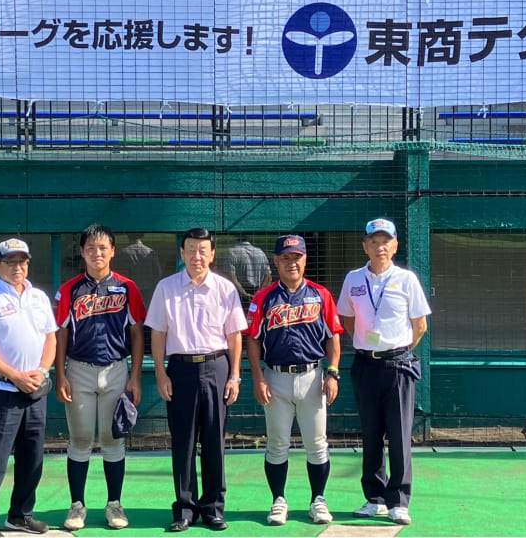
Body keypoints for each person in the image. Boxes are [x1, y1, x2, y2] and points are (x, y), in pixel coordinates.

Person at [145, 227, 247, 533]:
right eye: (190, 250)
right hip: (180, 370)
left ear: (212, 254)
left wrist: (236, 375)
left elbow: (235, 335)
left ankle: (213, 508)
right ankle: (185, 509)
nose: (196, 256)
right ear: (182, 253)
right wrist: (161, 372)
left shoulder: (225, 289)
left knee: (215, 441)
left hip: (217, 367)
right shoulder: (166, 287)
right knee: (183, 442)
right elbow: (158, 333)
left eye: (203, 250)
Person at [336, 218, 431, 526]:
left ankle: (399, 501)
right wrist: (367, 344)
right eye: (373, 242)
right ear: (365, 246)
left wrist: (398, 348)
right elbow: (347, 319)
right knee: (371, 434)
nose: (379, 247)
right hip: (365, 365)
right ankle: (374, 498)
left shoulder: (407, 280)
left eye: (385, 241)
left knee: (400, 435)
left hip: (398, 367)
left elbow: (420, 326)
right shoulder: (353, 279)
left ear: (395, 246)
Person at [246, 235, 343, 526]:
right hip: (275, 377)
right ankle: (278, 500)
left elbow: (333, 336)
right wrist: (258, 377)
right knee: (277, 443)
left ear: (305, 259)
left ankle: (318, 500)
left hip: (313, 376)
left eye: (296, 257)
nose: (292, 263)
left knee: (317, 443)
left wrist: (333, 371)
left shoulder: (320, 294)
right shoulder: (263, 298)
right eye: (285, 258)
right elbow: (252, 339)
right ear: (276, 262)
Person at [54, 224, 146, 531]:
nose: (97, 253)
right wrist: (60, 374)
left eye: (103, 247)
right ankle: (77, 505)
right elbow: (61, 333)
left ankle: (114, 504)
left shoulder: (127, 287)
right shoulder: (69, 289)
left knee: (111, 439)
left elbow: (136, 333)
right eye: (91, 248)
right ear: (82, 252)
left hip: (116, 369)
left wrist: (135, 376)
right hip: (78, 369)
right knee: (80, 439)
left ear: (113, 251)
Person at [0, 238, 58, 538]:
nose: (17, 267)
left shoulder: (39, 298)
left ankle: (20, 515)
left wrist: (42, 371)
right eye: (10, 261)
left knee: (32, 458)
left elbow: (50, 340)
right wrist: (14, 375)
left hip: (34, 390)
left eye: (22, 261)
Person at [222, 236, 272, 310]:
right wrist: (259, 293)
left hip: (239, 294)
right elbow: (268, 276)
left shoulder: (232, 252)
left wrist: (243, 293)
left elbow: (230, 276)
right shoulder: (260, 252)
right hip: (256, 292)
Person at [115, 233, 163, 307]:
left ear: (128, 237)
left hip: (130, 290)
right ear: (142, 236)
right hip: (148, 290)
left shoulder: (123, 252)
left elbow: (119, 274)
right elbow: (158, 273)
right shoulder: (150, 252)